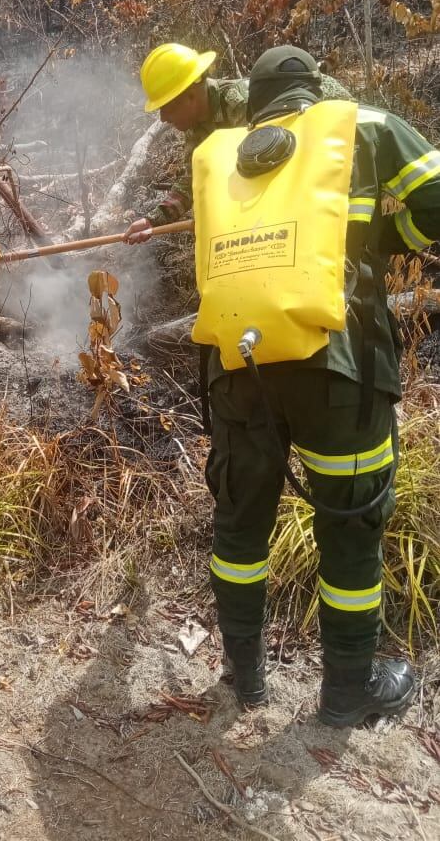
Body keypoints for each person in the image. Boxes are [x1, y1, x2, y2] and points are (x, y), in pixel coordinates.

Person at [133, 45, 440, 726]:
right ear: (316, 90)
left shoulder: (220, 155)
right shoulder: (364, 126)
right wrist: (392, 238)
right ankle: (346, 695)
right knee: (349, 527)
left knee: (240, 524)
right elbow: (438, 198)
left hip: (239, 372)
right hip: (341, 371)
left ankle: (244, 681)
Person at [124, 42, 352, 243]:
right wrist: (153, 220)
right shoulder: (197, 128)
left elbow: (273, 174)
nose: (163, 117)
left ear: (190, 97)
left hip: (339, 149)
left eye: (167, 106)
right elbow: (193, 181)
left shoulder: (241, 105)